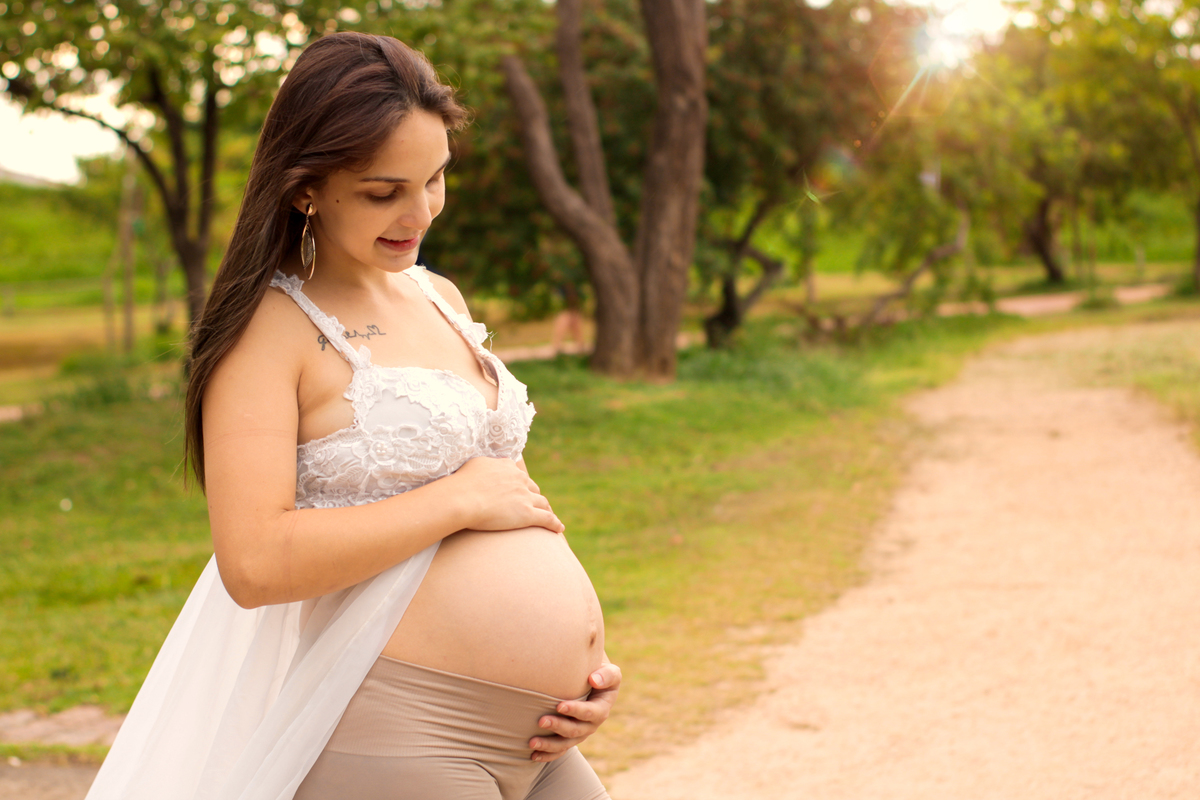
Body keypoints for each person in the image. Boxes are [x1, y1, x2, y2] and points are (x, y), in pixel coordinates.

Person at [84, 32, 619, 800]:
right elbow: (255, 562)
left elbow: (512, 497)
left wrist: (585, 666)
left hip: (541, 731)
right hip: (401, 729)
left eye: (435, 179)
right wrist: (456, 500)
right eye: (383, 191)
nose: (420, 211)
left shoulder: (439, 298)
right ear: (306, 187)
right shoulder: (266, 335)